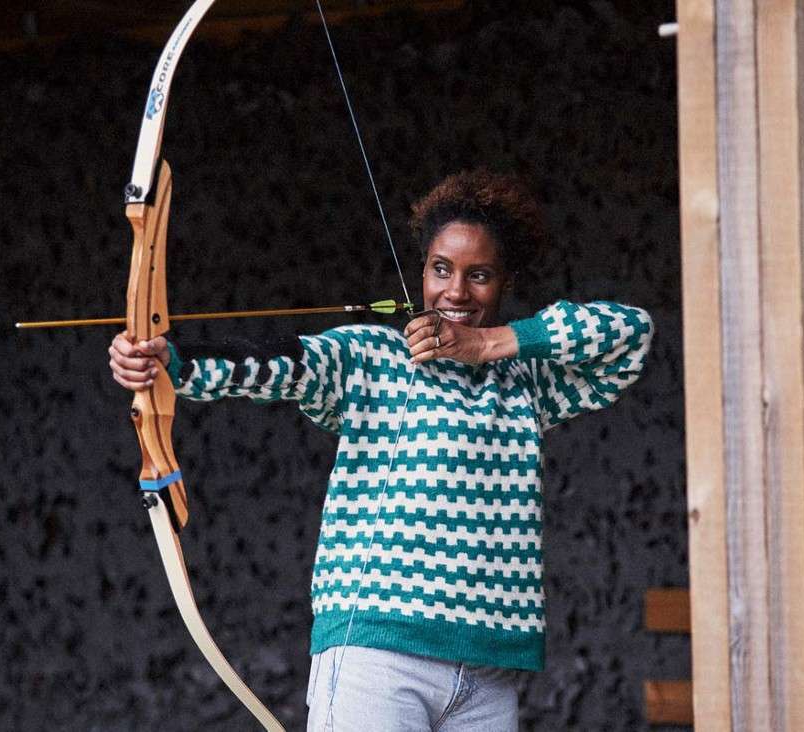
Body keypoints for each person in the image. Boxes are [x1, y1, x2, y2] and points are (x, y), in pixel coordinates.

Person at [109, 169, 653, 730]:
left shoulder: (526, 381)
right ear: (422, 271)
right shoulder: (371, 358)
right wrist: (167, 363)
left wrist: (490, 343)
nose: (456, 292)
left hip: (489, 675)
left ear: (505, 282)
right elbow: (276, 364)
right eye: (441, 269)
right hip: (377, 656)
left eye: (480, 275)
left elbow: (631, 333)